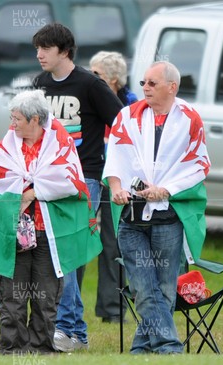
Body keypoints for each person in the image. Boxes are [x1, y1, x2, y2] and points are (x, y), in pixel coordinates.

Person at [103, 61, 210, 354]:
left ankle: (141, 350)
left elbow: (199, 163)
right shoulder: (127, 116)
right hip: (131, 217)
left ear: (171, 87)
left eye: (152, 83)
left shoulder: (189, 119)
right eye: (143, 83)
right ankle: (169, 347)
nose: (145, 88)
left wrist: (166, 190)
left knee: (163, 289)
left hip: (167, 216)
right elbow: (115, 158)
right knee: (142, 286)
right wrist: (115, 188)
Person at [0, 89, 101, 354]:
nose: (12, 124)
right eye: (11, 118)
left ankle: (42, 350)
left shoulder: (60, 143)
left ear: (34, 119)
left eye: (17, 119)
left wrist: (33, 191)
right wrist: (19, 193)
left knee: (45, 296)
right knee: (12, 295)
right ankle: (12, 351)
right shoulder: (8, 144)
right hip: (17, 233)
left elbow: (71, 182)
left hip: (50, 233)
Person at [32, 22, 123, 351]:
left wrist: (115, 173)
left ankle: (73, 331)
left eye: (46, 48)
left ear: (64, 51)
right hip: (47, 178)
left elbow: (123, 123)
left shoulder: (90, 84)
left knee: (68, 254)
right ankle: (62, 327)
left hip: (84, 177)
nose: (39, 54)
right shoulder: (40, 84)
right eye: (37, 48)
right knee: (53, 253)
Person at [89, 51, 137, 323]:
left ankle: (113, 309)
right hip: (89, 177)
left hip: (116, 183)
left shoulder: (130, 105)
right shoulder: (87, 99)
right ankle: (68, 309)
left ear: (115, 80)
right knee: (82, 242)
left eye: (98, 75)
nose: (91, 79)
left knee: (113, 245)